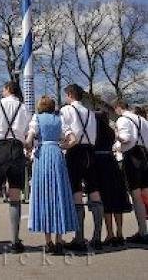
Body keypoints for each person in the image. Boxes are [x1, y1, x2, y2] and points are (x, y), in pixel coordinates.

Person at [0, 81, 31, 254]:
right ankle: (15, 241)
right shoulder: (24, 108)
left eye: (3, 88)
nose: (1, 90)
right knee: (15, 194)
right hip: (17, 148)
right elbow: (25, 131)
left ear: (8, 89)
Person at [26, 96, 77, 254]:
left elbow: (30, 136)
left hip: (42, 155)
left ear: (40, 106)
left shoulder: (37, 118)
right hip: (56, 154)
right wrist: (64, 145)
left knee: (45, 195)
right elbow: (73, 139)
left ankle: (48, 242)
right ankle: (59, 240)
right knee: (59, 193)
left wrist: (28, 146)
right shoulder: (59, 118)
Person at [60, 84, 104, 251]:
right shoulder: (89, 112)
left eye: (66, 95)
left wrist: (63, 145)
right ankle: (97, 237)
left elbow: (65, 132)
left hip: (75, 152)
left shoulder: (67, 110)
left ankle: (79, 238)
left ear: (70, 94)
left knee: (77, 191)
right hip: (90, 151)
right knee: (94, 190)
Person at [94, 111, 131, 247]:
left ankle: (110, 234)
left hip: (99, 163)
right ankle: (120, 233)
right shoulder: (111, 132)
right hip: (112, 162)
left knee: (106, 200)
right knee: (117, 198)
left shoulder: (95, 132)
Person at [114, 100, 148, 244]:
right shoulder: (143, 120)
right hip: (145, 155)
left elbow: (126, 139)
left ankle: (143, 232)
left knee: (136, 196)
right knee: (146, 193)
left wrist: (116, 137)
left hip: (133, 158)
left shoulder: (122, 119)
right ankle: (143, 231)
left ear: (118, 108)